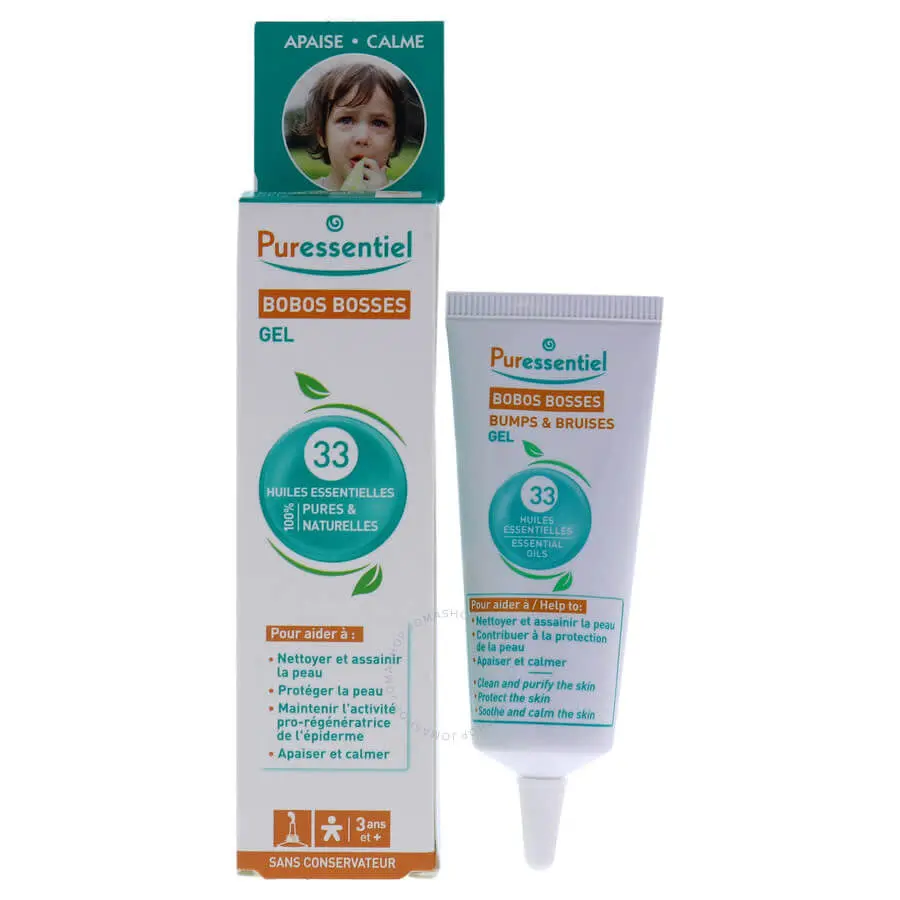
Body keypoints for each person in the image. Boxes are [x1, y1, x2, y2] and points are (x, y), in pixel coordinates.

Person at [298, 62, 407, 191]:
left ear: (393, 140)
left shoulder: (402, 198)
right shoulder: (305, 197)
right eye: (346, 120)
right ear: (322, 135)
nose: (362, 138)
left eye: (378, 123)